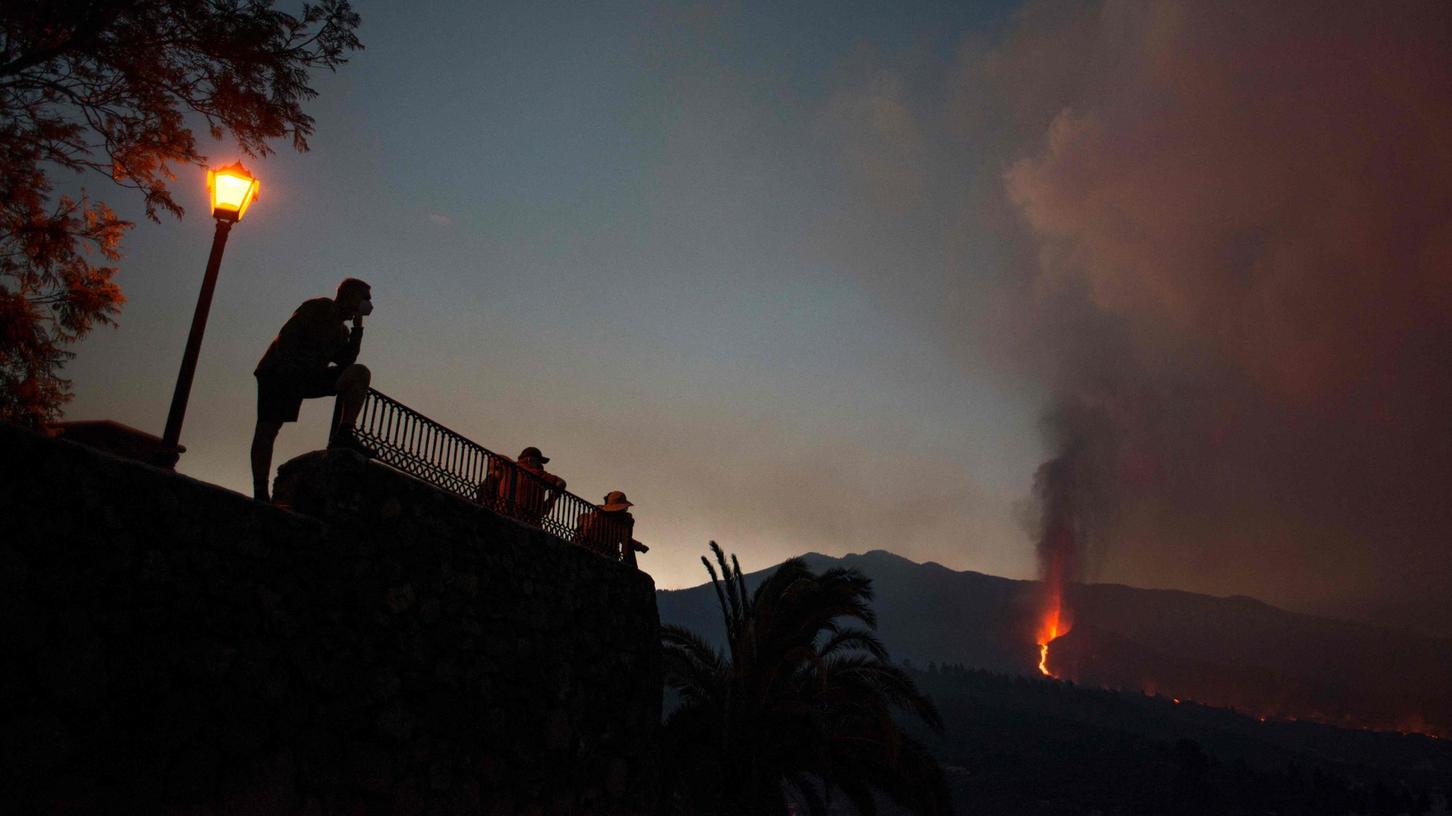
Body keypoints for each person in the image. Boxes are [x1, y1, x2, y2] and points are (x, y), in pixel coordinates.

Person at [250, 278, 373, 502]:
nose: (368, 303)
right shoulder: (319, 308)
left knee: (358, 373)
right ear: (349, 295)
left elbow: (345, 361)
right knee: (268, 430)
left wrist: (357, 329)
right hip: (280, 373)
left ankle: (344, 432)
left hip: (308, 376)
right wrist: (289, 374)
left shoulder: (343, 330)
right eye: (364, 298)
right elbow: (287, 337)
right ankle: (260, 491)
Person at [478, 446, 566, 526]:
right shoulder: (538, 474)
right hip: (529, 520)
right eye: (539, 461)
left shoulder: (509, 467)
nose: (541, 465)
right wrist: (548, 504)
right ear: (530, 460)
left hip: (502, 512)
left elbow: (494, 459)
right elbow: (561, 483)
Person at [574, 490, 648, 565]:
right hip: (601, 553)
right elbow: (625, 539)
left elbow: (625, 538)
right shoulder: (601, 518)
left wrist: (640, 546)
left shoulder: (619, 522)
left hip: (606, 554)